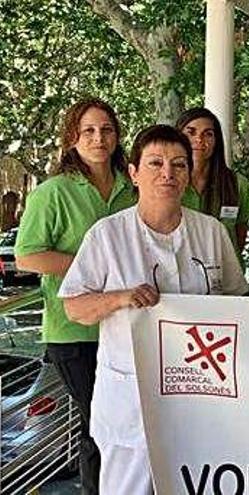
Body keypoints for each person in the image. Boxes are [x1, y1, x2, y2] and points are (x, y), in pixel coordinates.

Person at [58, 125, 248, 494]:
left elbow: (237, 301)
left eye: (179, 165)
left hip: (200, 392)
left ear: (190, 173)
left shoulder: (211, 232)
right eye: (156, 163)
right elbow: (74, 307)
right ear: (133, 172)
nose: (168, 173)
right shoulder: (106, 235)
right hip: (131, 396)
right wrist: (120, 298)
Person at [14, 97, 137, 494]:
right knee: (97, 425)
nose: (99, 138)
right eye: (88, 131)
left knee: (129, 423)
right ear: (71, 138)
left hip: (129, 327)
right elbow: (27, 256)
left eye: (106, 130)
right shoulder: (53, 192)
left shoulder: (132, 188)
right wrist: (89, 265)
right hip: (74, 331)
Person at [176, 107, 249, 255]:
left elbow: (239, 239)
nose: (199, 140)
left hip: (224, 272)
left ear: (216, 141)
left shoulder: (237, 185)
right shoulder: (168, 183)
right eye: (191, 132)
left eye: (208, 134)